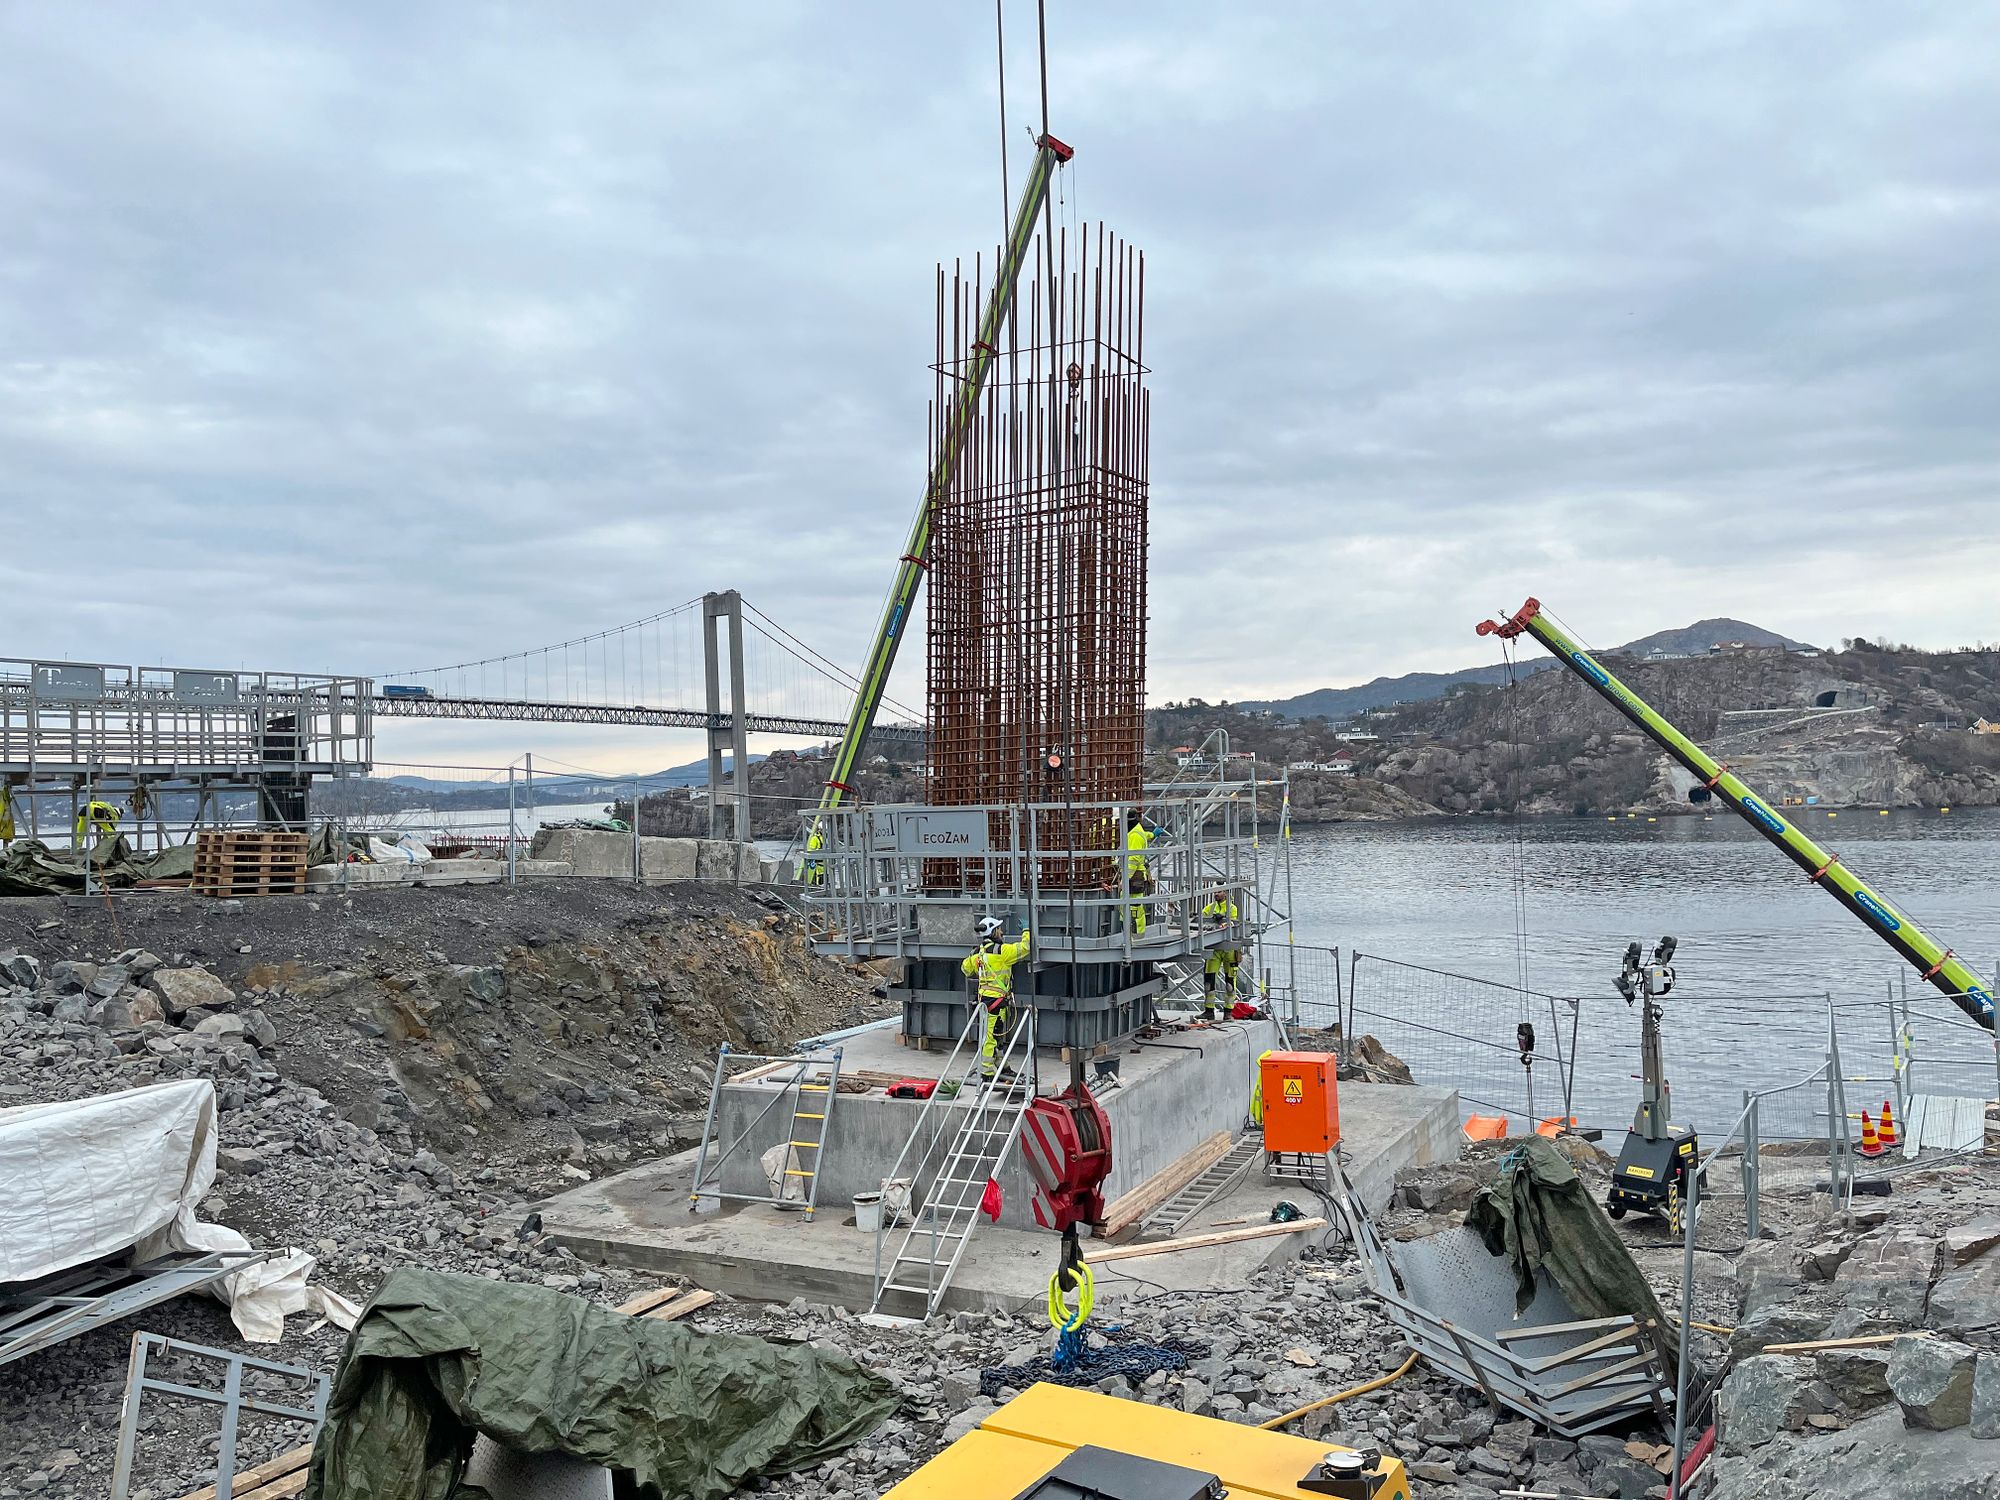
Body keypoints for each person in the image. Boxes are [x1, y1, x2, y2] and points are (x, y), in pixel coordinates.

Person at [962, 916, 1031, 1082]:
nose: (1002, 931)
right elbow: (1025, 947)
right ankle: (987, 1072)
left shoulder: (978, 953)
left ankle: (1002, 1066)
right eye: (999, 929)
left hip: (987, 1000)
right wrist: (1026, 931)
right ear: (993, 932)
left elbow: (965, 968)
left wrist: (977, 962)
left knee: (996, 1035)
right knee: (991, 1037)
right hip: (997, 1002)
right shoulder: (1002, 951)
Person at [1201, 889, 1242, 1019]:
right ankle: (1209, 1011)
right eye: (1215, 892)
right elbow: (1200, 921)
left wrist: (1222, 923)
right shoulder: (1209, 908)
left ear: (1226, 893)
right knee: (1209, 981)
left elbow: (1232, 923)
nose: (1216, 894)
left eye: (1219, 892)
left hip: (1229, 949)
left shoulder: (1232, 908)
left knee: (1230, 982)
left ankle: (1228, 1012)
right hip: (1214, 949)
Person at [1123, 812, 1156, 937]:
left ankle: (1135, 937)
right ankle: (1131, 935)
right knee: (1131, 908)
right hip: (1135, 875)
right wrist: (1153, 834)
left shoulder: (1135, 834)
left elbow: (1134, 858)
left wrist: (1125, 878)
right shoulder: (1135, 831)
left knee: (1134, 908)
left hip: (1134, 877)